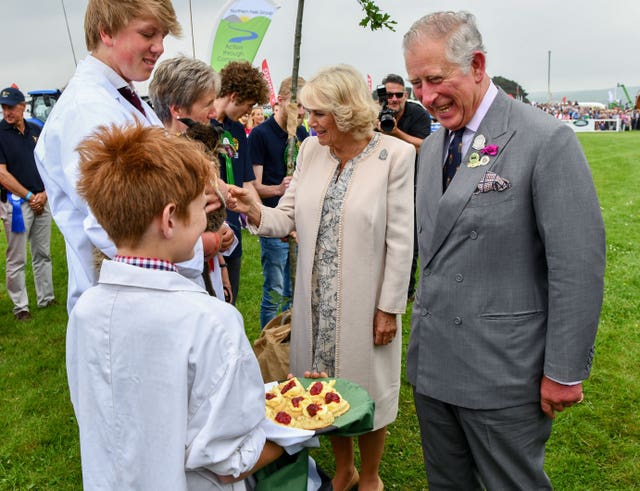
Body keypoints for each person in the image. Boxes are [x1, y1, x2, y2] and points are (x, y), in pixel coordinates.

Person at [403, 11, 605, 490]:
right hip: (434, 369)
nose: (427, 98)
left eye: (435, 79)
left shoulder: (545, 140)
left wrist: (563, 370)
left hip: (502, 374)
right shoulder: (432, 150)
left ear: (476, 64)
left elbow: (577, 266)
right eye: (416, 84)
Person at [229, 64, 415, 491]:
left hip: (367, 303)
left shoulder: (396, 157)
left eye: (317, 113)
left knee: (369, 391)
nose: (308, 123)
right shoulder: (311, 151)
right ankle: (343, 469)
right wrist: (253, 208)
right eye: (307, 113)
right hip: (313, 300)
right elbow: (286, 216)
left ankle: (369, 476)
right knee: (323, 386)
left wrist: (389, 308)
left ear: (346, 111)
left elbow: (401, 242)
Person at [68, 123, 283, 489]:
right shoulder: (211, 321)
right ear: (170, 219)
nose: (205, 219)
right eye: (202, 207)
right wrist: (296, 430)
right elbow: (230, 460)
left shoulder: (86, 311)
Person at [33, 0, 203, 313]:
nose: (159, 47)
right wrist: (194, 249)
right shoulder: (88, 110)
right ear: (107, 32)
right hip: (137, 301)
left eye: (163, 36)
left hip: (150, 294)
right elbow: (114, 223)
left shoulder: (122, 96)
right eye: (148, 34)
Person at [148, 55, 236, 301]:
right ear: (177, 109)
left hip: (208, 277)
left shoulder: (199, 151)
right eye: (207, 104)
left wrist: (222, 239)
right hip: (177, 289)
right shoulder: (155, 162)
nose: (214, 111)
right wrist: (205, 243)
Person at [248, 76, 308, 328]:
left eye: (305, 106)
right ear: (280, 101)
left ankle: (287, 345)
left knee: (294, 291)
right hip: (273, 222)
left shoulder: (303, 133)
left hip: (297, 226)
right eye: (297, 105)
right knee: (274, 289)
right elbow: (254, 186)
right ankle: (267, 344)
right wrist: (280, 188)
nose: (302, 112)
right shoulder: (261, 135)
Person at [212, 61, 269, 304]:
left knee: (229, 302)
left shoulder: (236, 132)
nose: (247, 113)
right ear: (234, 96)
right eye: (247, 107)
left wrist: (263, 217)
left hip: (232, 233)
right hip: (208, 230)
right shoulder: (200, 126)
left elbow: (247, 182)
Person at [0, 86, 55, 319]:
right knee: (17, 258)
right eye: (4, 108)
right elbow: (2, 174)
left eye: (11, 107)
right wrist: (29, 196)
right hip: (17, 204)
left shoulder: (35, 129)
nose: (7, 112)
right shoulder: (0, 134)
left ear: (23, 106)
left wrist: (43, 192)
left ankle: (47, 298)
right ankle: (20, 307)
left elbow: (47, 162)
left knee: (43, 252)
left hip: (41, 198)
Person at [378, 73, 432, 302]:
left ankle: (406, 289)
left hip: (413, 181)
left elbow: (424, 147)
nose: (393, 99)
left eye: (398, 94)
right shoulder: (375, 113)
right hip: (382, 180)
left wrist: (395, 132)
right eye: (389, 95)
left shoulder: (417, 113)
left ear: (406, 95)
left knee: (409, 237)